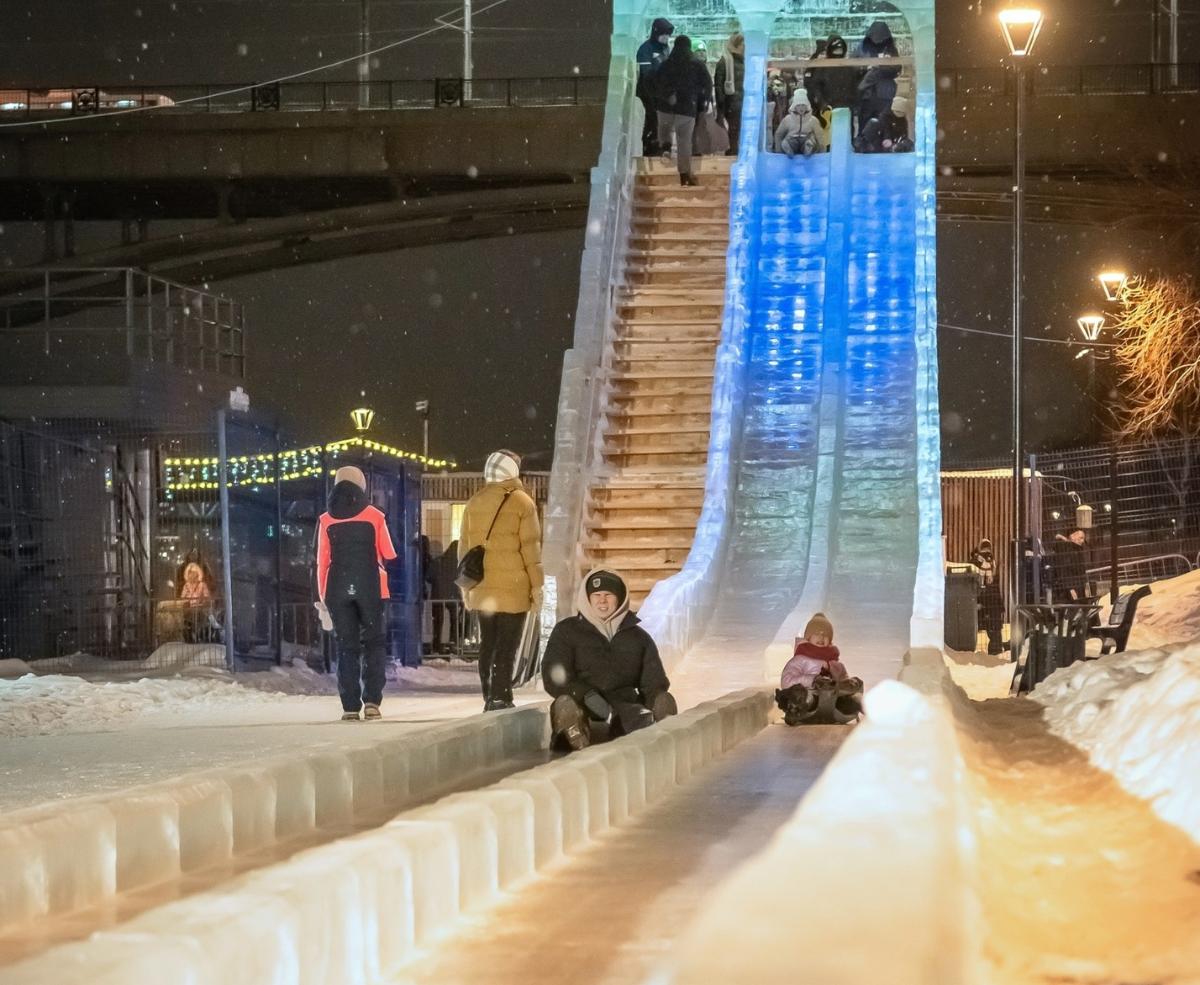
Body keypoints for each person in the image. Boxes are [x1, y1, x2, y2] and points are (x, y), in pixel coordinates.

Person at [542, 568, 677, 751]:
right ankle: (574, 743)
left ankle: (659, 744)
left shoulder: (638, 638)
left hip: (624, 710)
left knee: (655, 705)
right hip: (583, 706)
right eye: (596, 595)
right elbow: (554, 675)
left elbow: (653, 682)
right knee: (566, 706)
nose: (602, 600)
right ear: (588, 598)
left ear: (619, 599)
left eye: (608, 595)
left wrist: (657, 702)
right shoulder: (567, 631)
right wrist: (585, 694)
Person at [459, 449, 543, 711]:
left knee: (489, 642)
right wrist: (537, 585)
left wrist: (467, 587)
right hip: (515, 587)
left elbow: (465, 548)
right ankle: (501, 696)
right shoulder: (523, 502)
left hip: (484, 588)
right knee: (507, 644)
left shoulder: (474, 502)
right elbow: (530, 549)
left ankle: (489, 695)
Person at [315, 465, 397, 722]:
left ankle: (349, 706)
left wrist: (323, 595)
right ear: (362, 485)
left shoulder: (326, 519)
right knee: (373, 642)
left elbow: (322, 561)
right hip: (371, 587)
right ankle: (372, 701)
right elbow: (388, 552)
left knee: (346, 646)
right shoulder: (375, 516)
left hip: (337, 589)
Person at [775, 613, 859, 726]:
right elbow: (786, 681)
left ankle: (856, 706)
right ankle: (795, 709)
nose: (821, 637)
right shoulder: (800, 659)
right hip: (808, 700)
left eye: (825, 635)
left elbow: (845, 681)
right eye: (816, 634)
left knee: (854, 686)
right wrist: (812, 680)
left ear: (830, 640)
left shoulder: (836, 665)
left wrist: (848, 685)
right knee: (799, 692)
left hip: (831, 702)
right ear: (808, 637)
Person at [653, 35, 714, 186]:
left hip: (666, 107)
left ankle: (664, 146)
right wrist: (703, 103)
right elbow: (707, 84)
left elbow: (656, 83)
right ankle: (685, 175)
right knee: (684, 142)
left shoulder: (666, 64)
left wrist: (667, 96)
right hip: (687, 108)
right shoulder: (696, 65)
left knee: (664, 129)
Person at [636, 17, 674, 156]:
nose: (666, 37)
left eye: (668, 34)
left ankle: (659, 146)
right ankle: (650, 146)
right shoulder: (646, 49)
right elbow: (646, 74)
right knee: (652, 119)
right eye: (663, 34)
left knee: (661, 120)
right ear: (656, 32)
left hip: (661, 93)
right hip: (648, 92)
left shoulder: (665, 49)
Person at [854, 20, 900, 134]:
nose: (878, 41)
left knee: (884, 124)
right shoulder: (862, 48)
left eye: (881, 38)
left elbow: (897, 68)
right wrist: (866, 68)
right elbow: (853, 68)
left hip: (885, 94)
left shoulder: (890, 49)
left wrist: (881, 68)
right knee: (865, 125)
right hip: (867, 95)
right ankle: (864, 144)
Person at [970, 538, 1005, 654]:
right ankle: (996, 651)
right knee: (995, 630)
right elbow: (995, 579)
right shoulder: (992, 561)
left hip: (979, 598)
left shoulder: (975, 560)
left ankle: (969, 653)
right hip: (993, 599)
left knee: (974, 627)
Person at [713, 32, 744, 156]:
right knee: (734, 130)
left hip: (742, 102)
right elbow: (719, 84)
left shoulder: (744, 60)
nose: (745, 46)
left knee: (738, 130)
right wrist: (721, 104)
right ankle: (733, 153)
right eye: (742, 43)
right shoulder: (725, 61)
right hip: (732, 103)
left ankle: (737, 152)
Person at [430, 539, 461, 655]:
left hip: (438, 596)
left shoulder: (438, 561)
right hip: (453, 597)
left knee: (438, 621)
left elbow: (429, 576)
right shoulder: (458, 564)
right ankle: (454, 643)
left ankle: (436, 644)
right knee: (455, 621)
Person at [774, 90, 822, 157]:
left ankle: (808, 148)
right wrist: (778, 152)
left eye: (803, 105)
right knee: (790, 141)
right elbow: (779, 135)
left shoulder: (813, 120)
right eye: (798, 105)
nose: (801, 108)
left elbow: (820, 137)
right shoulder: (788, 119)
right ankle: (788, 148)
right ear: (794, 107)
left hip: (806, 140)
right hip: (793, 140)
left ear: (807, 106)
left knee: (811, 140)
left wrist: (822, 153)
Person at [1054, 528, 1089, 601]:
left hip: (1077, 584)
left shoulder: (1077, 549)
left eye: (1083, 538)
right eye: (1081, 538)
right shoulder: (1066, 548)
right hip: (1071, 585)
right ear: (1073, 536)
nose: (1082, 541)